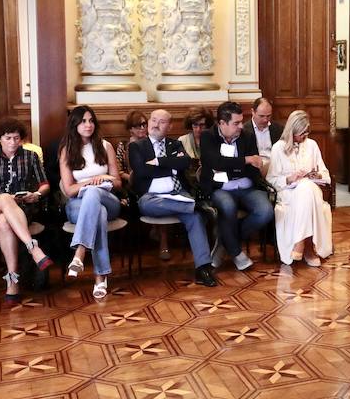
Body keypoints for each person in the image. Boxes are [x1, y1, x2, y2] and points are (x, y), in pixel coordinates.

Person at [129, 108, 217, 286]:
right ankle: (195, 205)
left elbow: (184, 163)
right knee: (191, 209)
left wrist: (159, 162)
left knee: (195, 218)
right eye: (153, 120)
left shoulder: (175, 144)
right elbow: (142, 171)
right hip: (151, 198)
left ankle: (203, 268)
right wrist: (172, 167)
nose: (154, 124)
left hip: (178, 195)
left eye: (161, 122)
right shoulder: (137, 147)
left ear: (169, 126)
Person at [0, 119, 55, 303]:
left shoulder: (30, 156)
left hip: (22, 208)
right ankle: (33, 248)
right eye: (8, 138)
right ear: (0, 139)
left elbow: (45, 185)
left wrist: (35, 194)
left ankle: (12, 281)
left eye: (17, 138)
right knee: (4, 199)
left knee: (5, 221)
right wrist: (3, 199)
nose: (13, 142)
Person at [201, 101, 273, 272]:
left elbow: (254, 165)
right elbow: (214, 162)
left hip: (247, 186)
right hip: (220, 187)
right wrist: (245, 160)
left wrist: (230, 165)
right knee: (227, 206)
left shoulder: (247, 136)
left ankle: (225, 242)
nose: (241, 126)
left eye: (241, 121)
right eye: (236, 123)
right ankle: (236, 252)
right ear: (222, 123)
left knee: (266, 211)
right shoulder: (208, 136)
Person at [59, 106, 121, 298]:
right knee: (98, 213)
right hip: (78, 204)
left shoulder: (105, 146)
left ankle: (80, 252)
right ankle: (100, 276)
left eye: (91, 120)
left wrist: (103, 177)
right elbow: (69, 189)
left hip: (108, 199)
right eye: (83, 121)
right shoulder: (67, 151)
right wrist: (87, 183)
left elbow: (117, 182)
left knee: (95, 195)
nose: (88, 125)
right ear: (74, 124)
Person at [268, 110, 332, 267]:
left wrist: (317, 176)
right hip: (289, 192)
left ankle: (299, 243)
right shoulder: (278, 148)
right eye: (301, 133)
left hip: (312, 189)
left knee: (306, 187)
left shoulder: (312, 145)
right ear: (292, 132)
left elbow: (324, 173)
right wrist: (289, 178)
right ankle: (309, 247)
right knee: (304, 188)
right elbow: (271, 180)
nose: (305, 137)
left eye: (307, 132)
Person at [245, 96, 283, 174]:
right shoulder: (244, 130)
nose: (265, 120)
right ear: (253, 112)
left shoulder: (279, 129)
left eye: (268, 116)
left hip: (276, 165)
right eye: (261, 116)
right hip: (254, 168)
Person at [115, 110, 148, 189]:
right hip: (131, 184)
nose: (142, 128)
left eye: (144, 124)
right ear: (130, 129)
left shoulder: (153, 142)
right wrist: (131, 178)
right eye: (138, 126)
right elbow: (119, 171)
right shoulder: (123, 146)